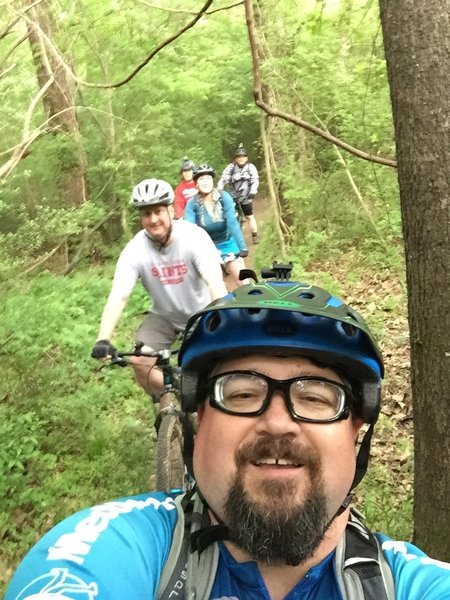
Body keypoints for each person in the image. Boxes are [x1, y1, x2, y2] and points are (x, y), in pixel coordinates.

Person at [6, 280, 450, 599]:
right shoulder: (116, 549)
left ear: (357, 428)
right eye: (241, 393)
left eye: (316, 397)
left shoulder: (411, 584)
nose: (278, 423)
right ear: (199, 415)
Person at [90, 178, 227, 403]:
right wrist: (103, 338)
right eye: (146, 214)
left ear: (171, 210)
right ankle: (169, 411)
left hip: (201, 315)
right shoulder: (135, 250)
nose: (153, 220)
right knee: (140, 362)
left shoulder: (194, 238)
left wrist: (223, 318)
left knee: (216, 370)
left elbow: (215, 283)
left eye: (158, 211)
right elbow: (119, 296)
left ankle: (199, 402)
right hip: (163, 317)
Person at [184, 163, 249, 288]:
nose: (205, 182)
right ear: (196, 183)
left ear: (213, 180)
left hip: (227, 242)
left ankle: (252, 304)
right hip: (206, 247)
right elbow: (189, 229)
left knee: (244, 281)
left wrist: (242, 246)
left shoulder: (223, 197)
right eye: (201, 179)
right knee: (214, 285)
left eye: (208, 178)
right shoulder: (192, 204)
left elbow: (232, 222)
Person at [217, 142, 260, 244]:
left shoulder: (251, 167)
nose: (241, 159)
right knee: (233, 216)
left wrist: (253, 191)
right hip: (233, 195)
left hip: (247, 195)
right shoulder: (230, 168)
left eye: (243, 157)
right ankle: (236, 237)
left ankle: (254, 235)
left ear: (246, 158)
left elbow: (255, 180)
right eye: (239, 157)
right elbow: (223, 179)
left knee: (249, 216)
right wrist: (219, 190)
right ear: (235, 158)